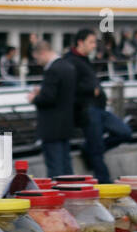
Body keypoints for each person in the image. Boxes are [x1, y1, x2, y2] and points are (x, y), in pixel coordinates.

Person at [63, 28, 107, 181]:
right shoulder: (70, 61)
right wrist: (91, 90)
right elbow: (70, 86)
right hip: (86, 110)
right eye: (91, 42)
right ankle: (105, 183)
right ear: (80, 42)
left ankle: (87, 149)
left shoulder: (85, 59)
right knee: (97, 149)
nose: (94, 45)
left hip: (97, 108)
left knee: (124, 132)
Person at [28, 39, 76, 176]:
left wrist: (34, 98)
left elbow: (48, 98)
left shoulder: (52, 70)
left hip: (51, 127)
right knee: (66, 166)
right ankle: (69, 194)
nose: (37, 62)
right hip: (65, 125)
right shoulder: (68, 66)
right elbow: (61, 94)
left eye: (36, 58)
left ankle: (59, 195)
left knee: (55, 169)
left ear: (42, 52)